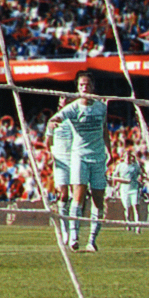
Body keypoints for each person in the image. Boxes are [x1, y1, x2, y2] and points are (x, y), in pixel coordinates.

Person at [56, 70, 110, 252]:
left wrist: (110, 151)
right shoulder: (73, 108)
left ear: (92, 87)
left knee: (98, 200)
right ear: (77, 88)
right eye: (81, 85)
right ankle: (74, 236)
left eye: (87, 85)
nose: (84, 88)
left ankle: (92, 241)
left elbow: (105, 130)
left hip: (98, 157)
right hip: (79, 156)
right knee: (77, 197)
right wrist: (53, 122)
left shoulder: (101, 107)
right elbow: (58, 117)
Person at [43, 100, 78, 249]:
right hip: (60, 161)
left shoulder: (74, 120)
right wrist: (51, 155)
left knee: (76, 197)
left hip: (75, 159)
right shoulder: (52, 121)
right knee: (63, 196)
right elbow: (47, 142)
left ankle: (74, 235)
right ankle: (65, 232)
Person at [112, 148, 144, 231]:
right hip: (124, 189)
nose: (128, 158)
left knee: (135, 207)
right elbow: (114, 176)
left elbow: (140, 174)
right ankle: (128, 223)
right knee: (127, 208)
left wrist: (140, 178)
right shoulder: (120, 165)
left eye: (129, 156)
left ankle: (137, 226)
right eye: (126, 156)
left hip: (134, 188)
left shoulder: (135, 166)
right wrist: (117, 185)